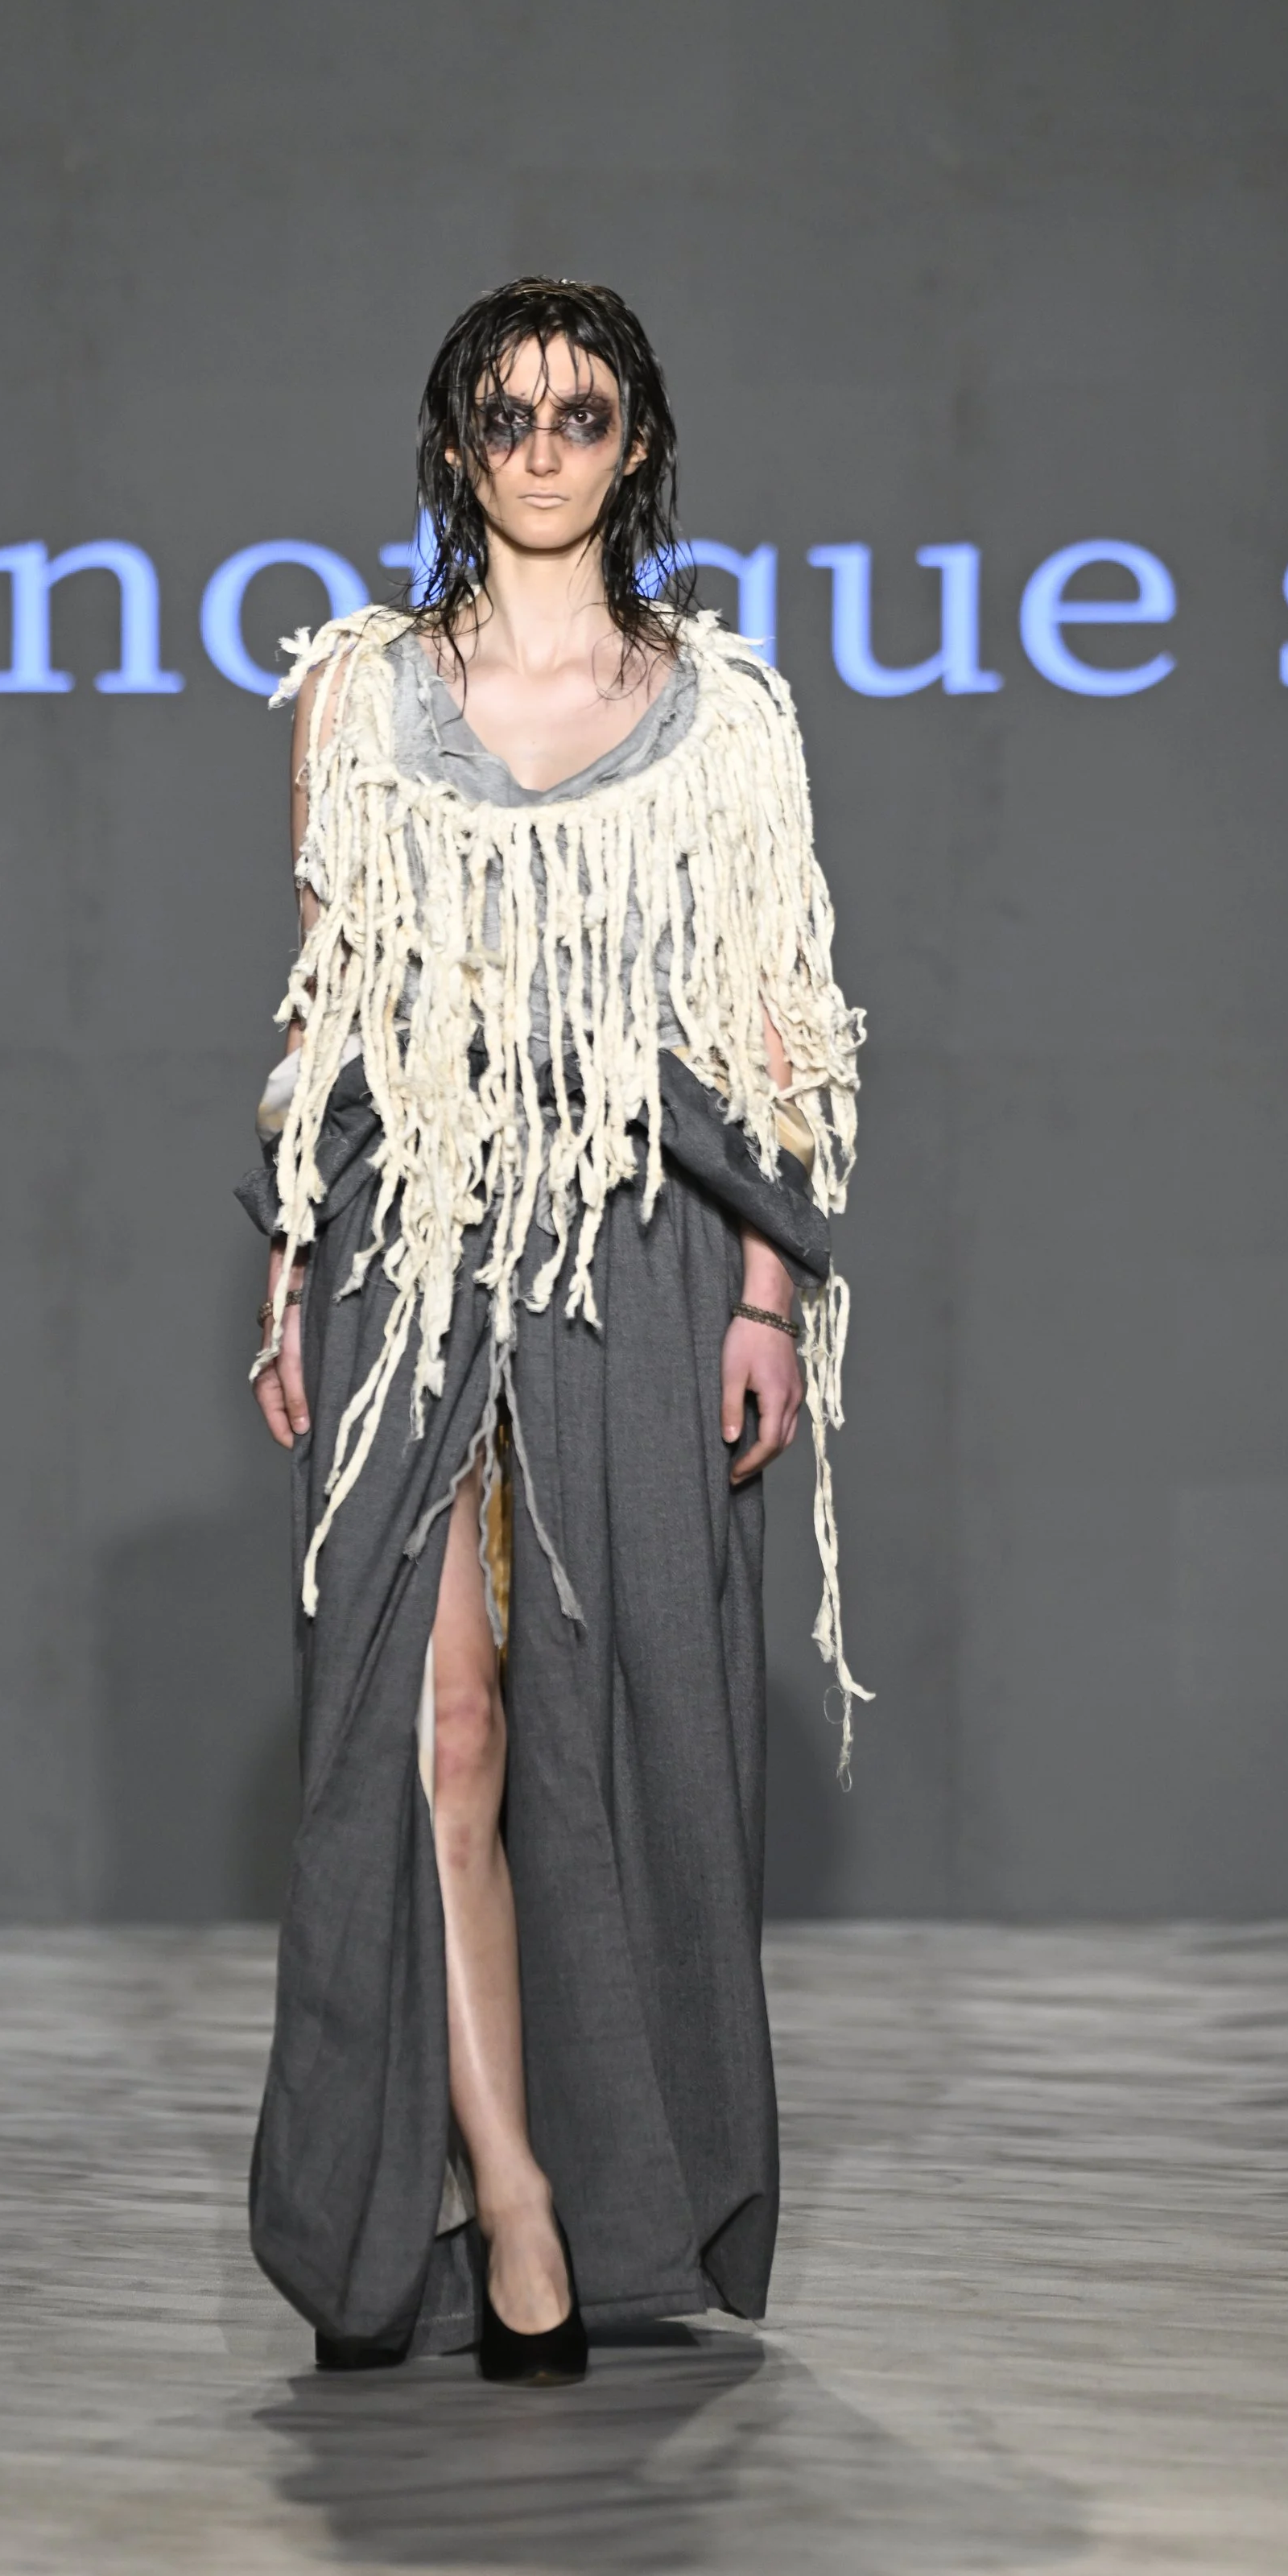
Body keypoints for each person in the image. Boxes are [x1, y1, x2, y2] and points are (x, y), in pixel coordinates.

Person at [239, 278, 865, 2385]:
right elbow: (324, 995)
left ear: (634, 443)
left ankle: (608, 2187)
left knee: (624, 1726)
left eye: (578, 414)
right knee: (430, 1730)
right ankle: (501, 2199)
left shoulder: (725, 712)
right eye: (501, 416)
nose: (538, 448)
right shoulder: (357, 693)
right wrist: (286, 1264)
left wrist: (766, 1292)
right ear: (451, 445)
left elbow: (771, 1020)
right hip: (407, 1237)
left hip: (640, 1247)